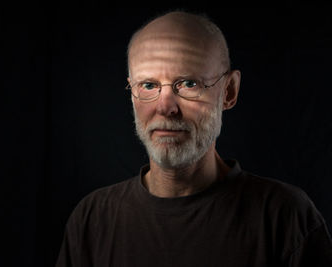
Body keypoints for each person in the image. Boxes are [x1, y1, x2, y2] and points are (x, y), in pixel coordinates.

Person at [55, 10, 332, 266]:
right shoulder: (92, 220)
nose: (165, 107)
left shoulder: (286, 219)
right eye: (148, 85)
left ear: (229, 91)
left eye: (188, 83)